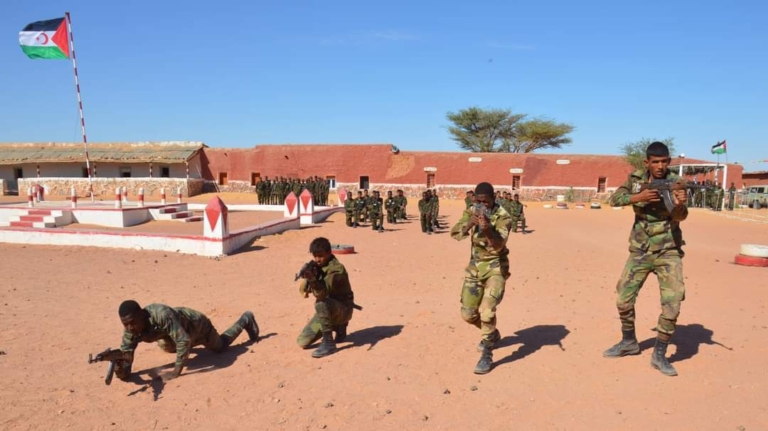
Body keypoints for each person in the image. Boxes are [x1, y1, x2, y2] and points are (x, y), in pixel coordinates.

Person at [604, 141, 688, 377]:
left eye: (664, 162)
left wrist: (679, 204)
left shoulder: (676, 182)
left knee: (672, 303)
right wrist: (637, 197)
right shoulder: (635, 179)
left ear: (669, 162)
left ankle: (659, 354)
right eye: (655, 162)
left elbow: (681, 217)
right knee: (623, 300)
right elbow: (614, 199)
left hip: (668, 250)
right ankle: (629, 342)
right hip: (640, 250)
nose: (660, 166)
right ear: (647, 162)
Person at [450, 182, 512, 374]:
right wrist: (470, 222)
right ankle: (491, 333)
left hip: (495, 268)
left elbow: (499, 245)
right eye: (479, 201)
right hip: (475, 268)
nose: (482, 205)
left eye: (486, 202)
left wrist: (487, 230)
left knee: (487, 312)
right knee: (468, 314)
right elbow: (455, 233)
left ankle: (487, 353)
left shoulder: (503, 216)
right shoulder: (472, 210)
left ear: (494, 198)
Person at [115, 300, 259, 381]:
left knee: (220, 346)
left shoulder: (162, 315)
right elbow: (126, 359)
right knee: (166, 346)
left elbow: (183, 341)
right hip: (177, 330)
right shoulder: (130, 331)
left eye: (132, 322)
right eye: (125, 324)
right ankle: (184, 344)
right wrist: (120, 370)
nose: (130, 327)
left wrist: (175, 372)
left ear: (141, 314)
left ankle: (245, 320)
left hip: (197, 325)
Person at [296, 237, 357, 358]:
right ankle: (337, 326)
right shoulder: (317, 266)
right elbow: (306, 290)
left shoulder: (336, 269)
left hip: (343, 309)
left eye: (321, 256)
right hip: (329, 310)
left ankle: (328, 342)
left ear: (329, 253)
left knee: (321, 303)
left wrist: (313, 280)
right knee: (303, 341)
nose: (317, 259)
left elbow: (322, 294)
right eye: (315, 256)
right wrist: (308, 279)